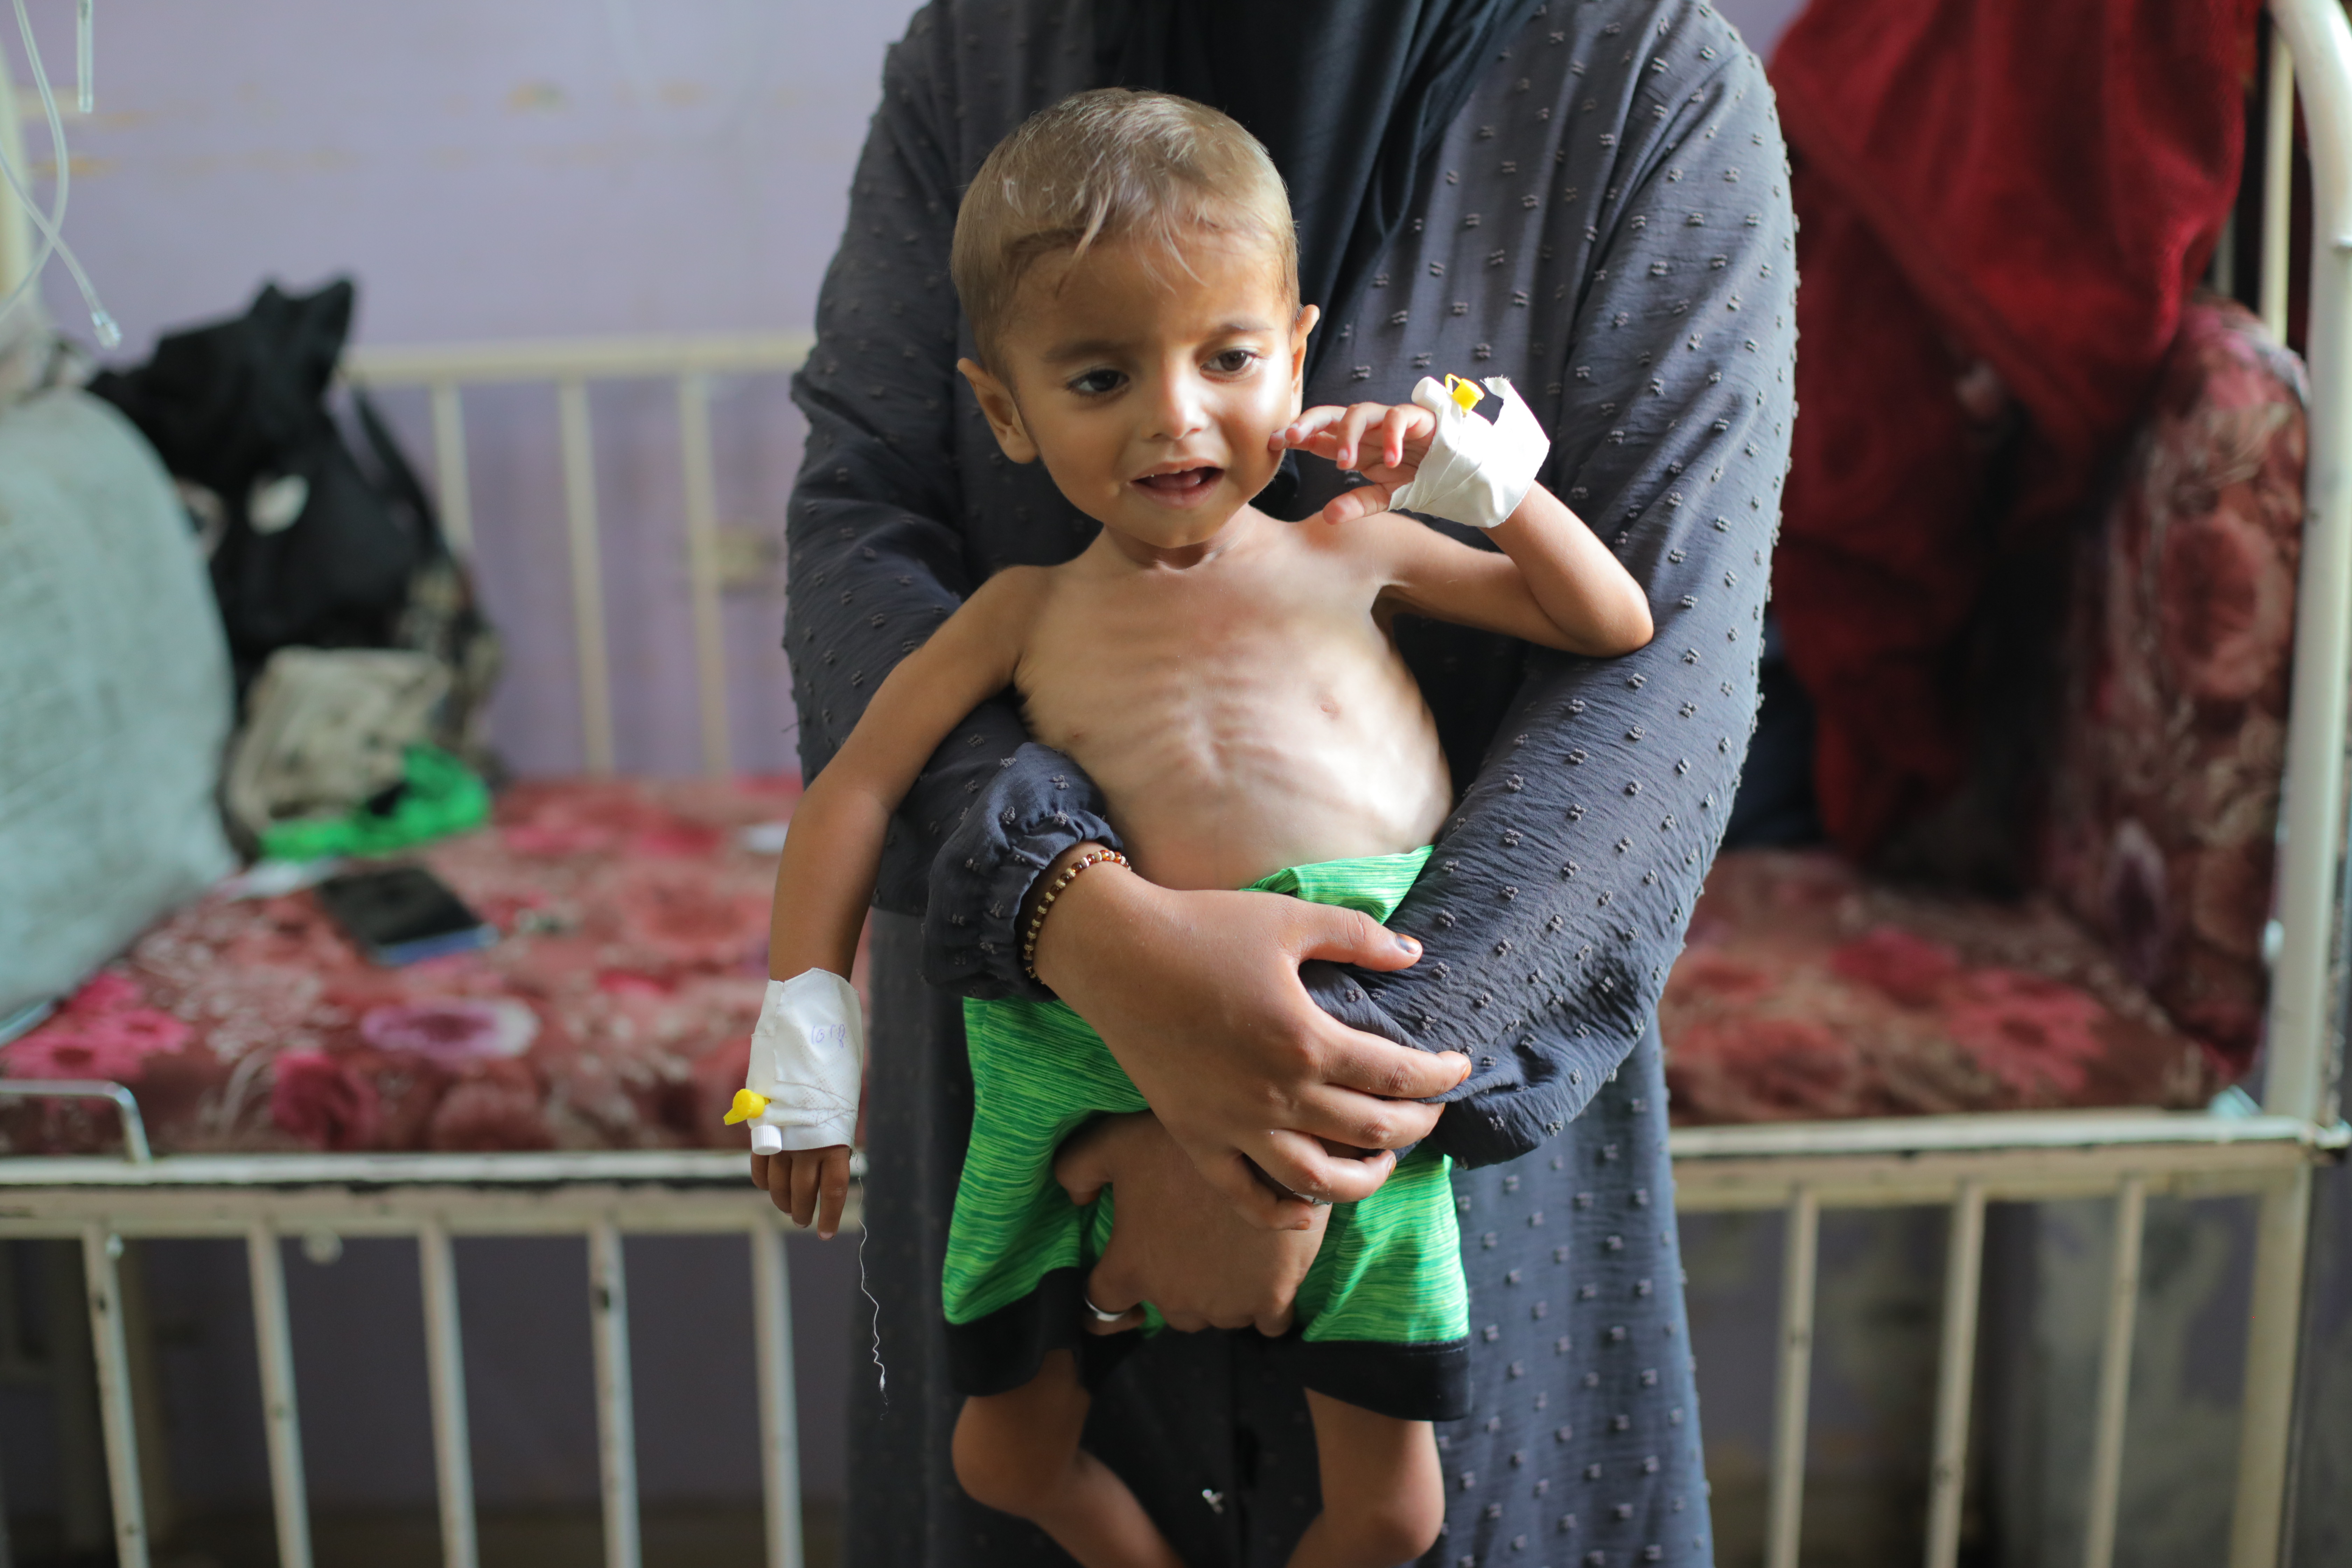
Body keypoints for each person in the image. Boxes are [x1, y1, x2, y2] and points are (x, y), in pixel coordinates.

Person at [771, 3, 1797, 1563]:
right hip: (1033, 1040)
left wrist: (1302, 1123)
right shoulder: (977, 49)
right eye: (1104, 375)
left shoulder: (1643, 83)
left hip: (1438, 1063)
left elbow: (1654, 657)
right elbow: (860, 539)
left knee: (1414, 1509)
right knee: (1011, 1449)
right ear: (1011, 404)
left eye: (1229, 358)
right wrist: (1069, 922)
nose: (1178, 419)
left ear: (1294, 352)